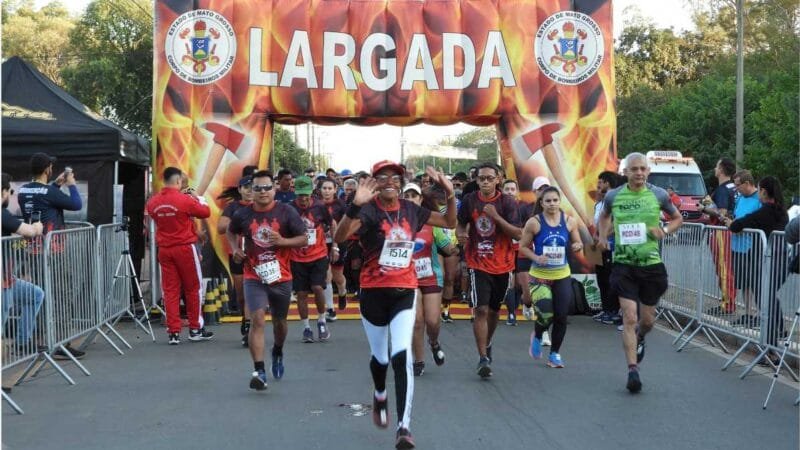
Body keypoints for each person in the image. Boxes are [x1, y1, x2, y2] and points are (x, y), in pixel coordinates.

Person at [334, 161, 456, 449]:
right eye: (383, 177)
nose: (390, 181)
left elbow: (449, 223)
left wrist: (450, 194)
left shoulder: (411, 210)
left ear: (401, 183)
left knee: (401, 355)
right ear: (374, 182)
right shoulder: (368, 209)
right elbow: (339, 237)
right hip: (373, 291)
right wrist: (355, 205)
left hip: (404, 289)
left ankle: (404, 426)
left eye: (395, 177)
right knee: (380, 358)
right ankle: (379, 393)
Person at [598, 152, 683, 393]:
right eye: (634, 169)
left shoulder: (659, 194)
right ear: (625, 172)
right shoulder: (614, 195)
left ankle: (641, 336)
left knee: (647, 321)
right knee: (629, 316)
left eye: (643, 169)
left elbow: (677, 218)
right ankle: (632, 371)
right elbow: (604, 216)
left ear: (648, 171)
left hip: (650, 265)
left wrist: (664, 230)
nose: (639, 173)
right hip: (624, 264)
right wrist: (602, 236)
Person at [227, 170, 308, 390]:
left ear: (274, 189)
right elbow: (231, 232)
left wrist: (282, 241)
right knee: (258, 320)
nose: (263, 192)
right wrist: (235, 249)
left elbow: (303, 239)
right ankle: (259, 371)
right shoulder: (243, 214)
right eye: (258, 188)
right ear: (251, 191)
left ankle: (278, 351)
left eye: (267, 188)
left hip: (281, 276)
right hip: (254, 275)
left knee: (280, 323)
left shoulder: (286, 211)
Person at [457, 162, 521, 379]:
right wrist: (460, 234)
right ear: (476, 180)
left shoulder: (507, 202)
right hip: (477, 262)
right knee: (481, 310)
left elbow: (518, 233)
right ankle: (483, 357)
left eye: (489, 178)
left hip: (503, 263)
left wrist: (496, 217)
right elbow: (460, 223)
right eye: (481, 178)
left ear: (498, 180)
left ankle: (488, 342)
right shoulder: (469, 200)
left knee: (494, 311)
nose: (485, 182)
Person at [18, 152, 84, 359]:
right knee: (61, 294)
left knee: (40, 294)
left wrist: (56, 185)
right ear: (47, 169)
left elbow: (43, 199)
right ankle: (61, 342)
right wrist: (71, 185)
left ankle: (37, 340)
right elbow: (76, 204)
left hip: (33, 250)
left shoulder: (23, 190)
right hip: (53, 251)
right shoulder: (48, 192)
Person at [146, 167, 213, 345]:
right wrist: (198, 198)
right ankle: (195, 329)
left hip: (164, 249)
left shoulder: (153, 202)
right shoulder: (185, 200)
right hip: (185, 248)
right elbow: (205, 212)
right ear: (178, 181)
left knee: (170, 291)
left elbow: (154, 216)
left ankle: (173, 333)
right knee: (193, 288)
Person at [724, 176, 788, 359]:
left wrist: (731, 224)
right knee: (769, 296)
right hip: (783, 259)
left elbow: (739, 224)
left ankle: (771, 350)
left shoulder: (766, 211)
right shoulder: (782, 210)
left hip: (771, 260)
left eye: (759, 190)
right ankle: (778, 332)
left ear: (764, 192)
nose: (758, 193)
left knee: (765, 299)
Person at [519, 187, 583, 367]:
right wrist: (536, 257)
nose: (552, 204)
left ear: (560, 201)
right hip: (539, 276)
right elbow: (522, 247)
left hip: (562, 274)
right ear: (541, 203)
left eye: (555, 200)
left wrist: (577, 246)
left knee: (561, 316)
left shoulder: (569, 221)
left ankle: (555, 354)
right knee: (546, 314)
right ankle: (538, 335)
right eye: (548, 201)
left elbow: (577, 241)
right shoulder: (534, 222)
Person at [403, 183, 458, 376]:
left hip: (431, 276)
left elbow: (447, 246)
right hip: (408, 278)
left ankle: (434, 342)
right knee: (417, 321)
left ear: (420, 200)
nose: (410, 199)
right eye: (406, 196)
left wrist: (459, 246)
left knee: (433, 321)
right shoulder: (397, 222)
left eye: (414, 196)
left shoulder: (432, 222)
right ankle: (419, 360)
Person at [2, 173, 45, 353]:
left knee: (35, 295)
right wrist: (37, 227)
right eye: (10, 191)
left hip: (7, 280)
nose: (10, 195)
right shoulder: (2, 214)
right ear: (3, 192)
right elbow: (29, 231)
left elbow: (13, 240)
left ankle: (22, 342)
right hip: (2, 284)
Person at [289, 176, 334, 343]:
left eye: (306, 194)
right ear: (295, 193)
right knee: (301, 293)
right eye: (300, 195)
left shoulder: (320, 207)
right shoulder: (289, 209)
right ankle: (306, 327)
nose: (303, 198)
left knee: (317, 287)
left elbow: (332, 224)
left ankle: (322, 321)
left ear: (311, 192)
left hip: (318, 254)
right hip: (297, 257)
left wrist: (335, 246)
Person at [217, 170, 256, 346]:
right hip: (237, 255)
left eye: (253, 187)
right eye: (246, 187)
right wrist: (239, 221)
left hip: (258, 256)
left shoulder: (261, 205)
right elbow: (220, 228)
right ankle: (245, 318)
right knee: (241, 295)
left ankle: (249, 326)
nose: (250, 191)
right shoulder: (233, 207)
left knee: (251, 292)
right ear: (240, 190)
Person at [724, 170, 762, 327]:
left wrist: (738, 227)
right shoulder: (740, 198)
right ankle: (748, 313)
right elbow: (736, 216)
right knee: (743, 282)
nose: (736, 189)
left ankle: (760, 314)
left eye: (738, 185)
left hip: (752, 247)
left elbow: (760, 222)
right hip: (737, 246)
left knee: (755, 282)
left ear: (747, 183)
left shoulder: (759, 199)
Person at [592, 171, 622, 325]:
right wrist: (596, 236)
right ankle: (605, 309)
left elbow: (615, 224)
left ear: (607, 183)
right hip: (597, 245)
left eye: (600, 182)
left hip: (610, 245)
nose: (598, 186)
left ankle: (613, 311)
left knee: (610, 278)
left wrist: (603, 236)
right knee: (601, 278)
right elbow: (597, 223)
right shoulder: (598, 203)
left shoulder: (615, 201)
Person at [319, 177, 348, 312]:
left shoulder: (341, 205)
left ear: (335, 190)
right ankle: (330, 308)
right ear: (320, 190)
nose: (327, 191)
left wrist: (336, 245)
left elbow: (345, 224)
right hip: (321, 243)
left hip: (338, 242)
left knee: (338, 277)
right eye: (324, 188)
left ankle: (342, 292)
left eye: (330, 188)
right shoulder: (316, 204)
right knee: (326, 275)